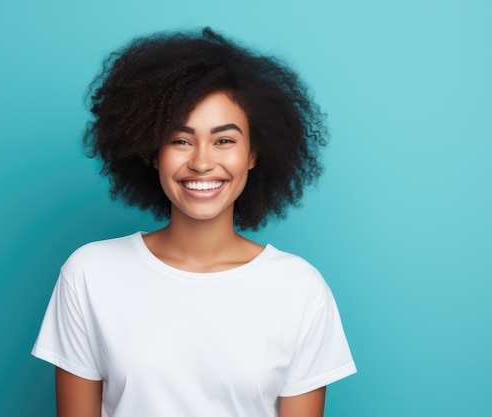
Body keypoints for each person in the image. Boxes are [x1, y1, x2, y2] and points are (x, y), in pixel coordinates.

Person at [32, 27, 356, 417]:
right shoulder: (89, 274)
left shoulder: (300, 289)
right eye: (180, 140)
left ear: (253, 154)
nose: (202, 162)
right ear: (153, 153)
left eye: (224, 140)